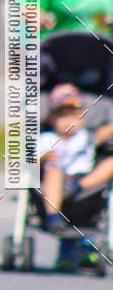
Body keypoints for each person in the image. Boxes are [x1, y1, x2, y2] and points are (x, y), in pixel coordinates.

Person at [39, 83, 113, 268]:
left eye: (73, 115)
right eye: (62, 116)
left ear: (82, 118)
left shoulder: (87, 137)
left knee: (110, 163)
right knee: (53, 170)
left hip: (85, 183)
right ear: (51, 118)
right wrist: (44, 157)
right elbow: (31, 161)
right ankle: (53, 216)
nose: (68, 121)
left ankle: (78, 187)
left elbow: (107, 131)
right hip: (58, 182)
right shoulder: (46, 139)